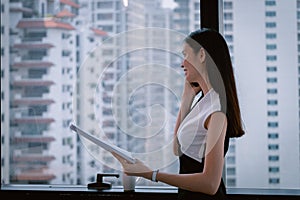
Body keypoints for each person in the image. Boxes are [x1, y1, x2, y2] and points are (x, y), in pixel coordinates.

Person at [112, 28, 245, 200]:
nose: (182, 63)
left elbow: (211, 184)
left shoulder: (216, 111)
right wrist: (186, 98)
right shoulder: (204, 102)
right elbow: (177, 148)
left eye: (186, 55)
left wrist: (151, 174)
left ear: (202, 55)